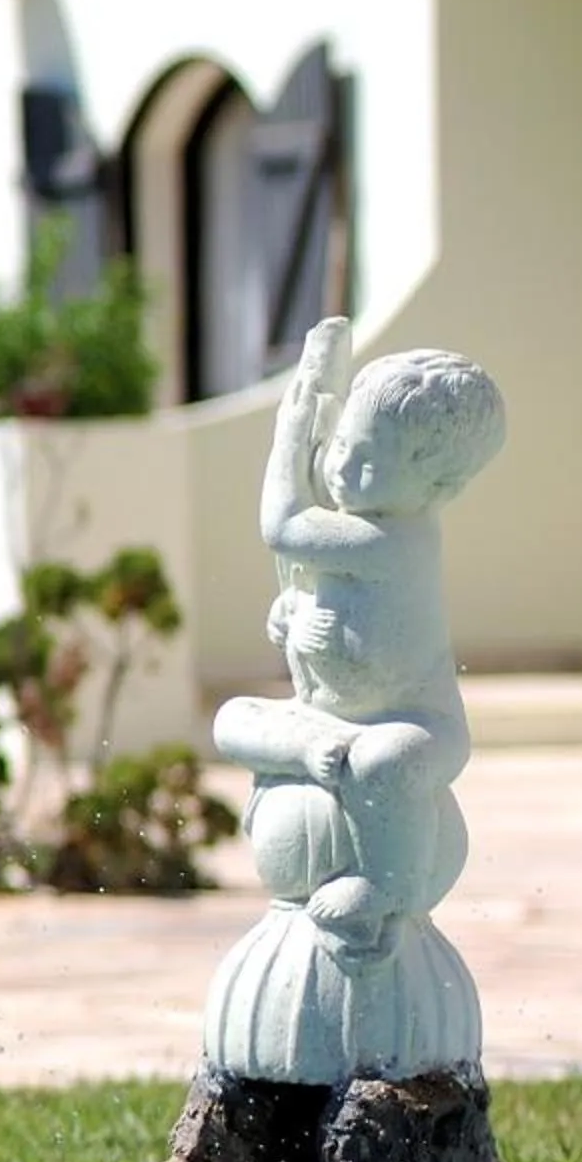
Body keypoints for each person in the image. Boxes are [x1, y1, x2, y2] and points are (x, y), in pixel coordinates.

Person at [216, 321, 506, 962]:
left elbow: (285, 524)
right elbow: (312, 600)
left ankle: (384, 888)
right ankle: (313, 746)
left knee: (384, 762)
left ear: (437, 490)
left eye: (370, 462)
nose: (342, 467)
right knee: (232, 719)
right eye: (343, 442)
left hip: (417, 728)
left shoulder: (393, 541)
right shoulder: (362, 521)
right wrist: (290, 618)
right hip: (332, 718)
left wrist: (292, 428)